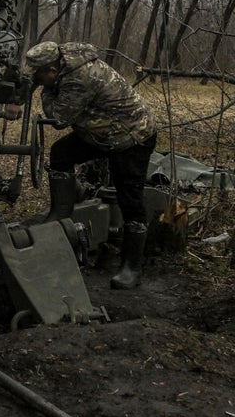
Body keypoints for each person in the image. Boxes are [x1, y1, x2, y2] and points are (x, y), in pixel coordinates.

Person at [23, 40, 158, 290]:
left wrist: (46, 91)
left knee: (130, 199)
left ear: (52, 71)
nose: (37, 82)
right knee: (61, 154)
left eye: (40, 77)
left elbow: (59, 118)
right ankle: (60, 216)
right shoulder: (63, 61)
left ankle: (132, 267)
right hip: (102, 131)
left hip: (131, 137)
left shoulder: (79, 78)